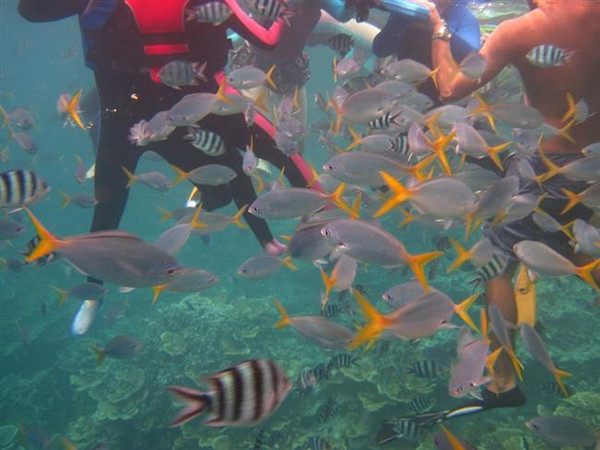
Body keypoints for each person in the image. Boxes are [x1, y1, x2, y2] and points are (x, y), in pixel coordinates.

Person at [17, 0, 305, 334]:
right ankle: (93, 293)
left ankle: (223, 214)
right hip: (123, 117)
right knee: (108, 207)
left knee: (228, 173)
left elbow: (268, 40)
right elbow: (31, 10)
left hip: (177, 113)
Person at [410, 0, 600, 424]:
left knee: (495, 257)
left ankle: (501, 381)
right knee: (585, 253)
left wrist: (438, 31)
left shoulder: (523, 29)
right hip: (596, 164)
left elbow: (449, 89)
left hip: (549, 166)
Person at [372, 0, 481, 102]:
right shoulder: (410, 11)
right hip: (405, 93)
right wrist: (403, 18)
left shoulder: (463, 17)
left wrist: (437, 26)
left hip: (445, 102)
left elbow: (470, 59)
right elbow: (380, 49)